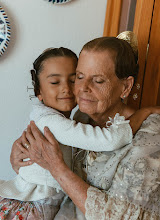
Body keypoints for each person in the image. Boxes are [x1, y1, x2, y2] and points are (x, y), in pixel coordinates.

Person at [10, 33, 160, 219]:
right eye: (80, 77)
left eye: (98, 80)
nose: (82, 88)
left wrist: (57, 168)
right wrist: (20, 157)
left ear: (126, 87)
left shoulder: (150, 134)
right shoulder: (81, 117)